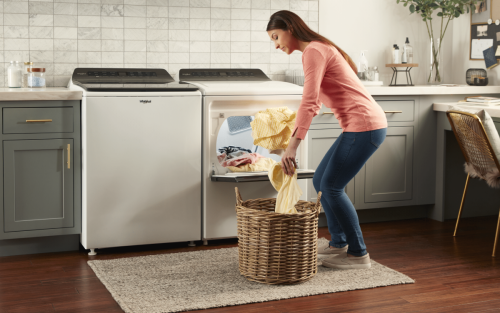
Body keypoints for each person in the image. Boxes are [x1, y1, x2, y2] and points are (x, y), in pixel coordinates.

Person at [266, 10, 388, 270]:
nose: (276, 45)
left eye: (276, 37)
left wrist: (292, 147)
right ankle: (338, 243)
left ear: (289, 28)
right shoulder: (317, 50)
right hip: (360, 126)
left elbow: (309, 103)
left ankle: (358, 254)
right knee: (322, 181)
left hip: (365, 126)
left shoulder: (314, 51)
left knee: (331, 186)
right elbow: (316, 101)